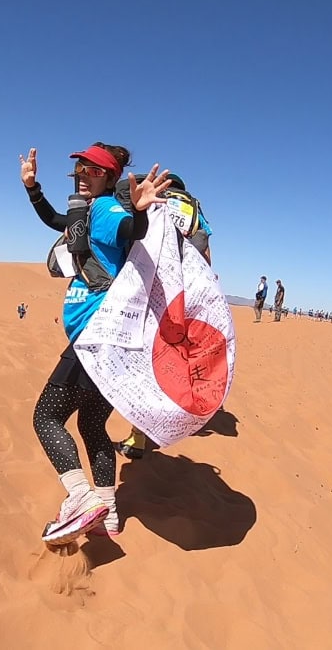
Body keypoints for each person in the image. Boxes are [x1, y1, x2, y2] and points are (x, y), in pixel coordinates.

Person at [20, 143, 171, 545]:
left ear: (109, 177)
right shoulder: (87, 212)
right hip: (111, 344)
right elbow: (56, 221)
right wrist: (33, 189)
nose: (82, 176)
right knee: (91, 423)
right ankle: (109, 512)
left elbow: (126, 231)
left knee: (45, 417)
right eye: (80, 170)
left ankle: (81, 498)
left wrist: (138, 214)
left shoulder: (106, 211)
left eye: (92, 171)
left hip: (95, 338)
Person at [113, 172, 215, 460]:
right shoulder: (193, 207)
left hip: (148, 286)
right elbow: (205, 251)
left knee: (139, 357)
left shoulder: (156, 197)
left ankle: (138, 434)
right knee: (164, 356)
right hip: (178, 294)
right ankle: (153, 426)